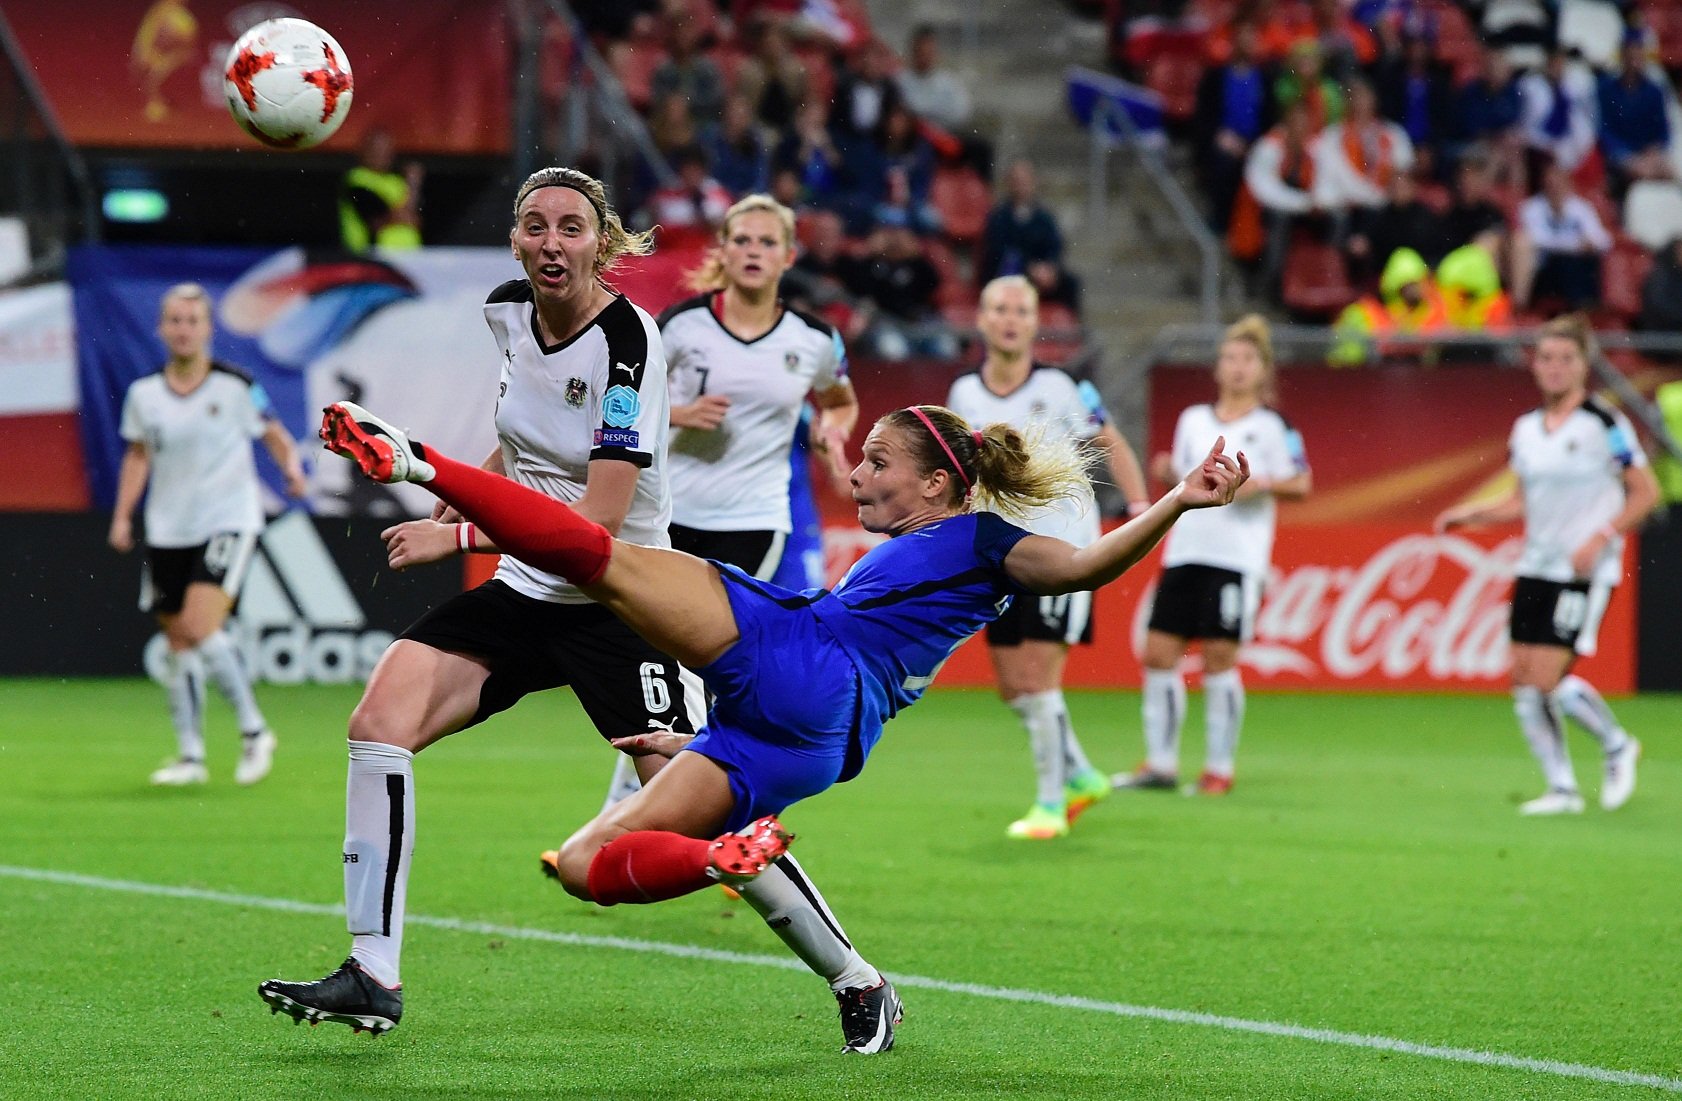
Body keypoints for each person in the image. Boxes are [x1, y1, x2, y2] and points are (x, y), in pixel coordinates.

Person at [309, 395, 1246, 1048]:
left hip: (806, 661)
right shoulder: (938, 548)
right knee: (588, 866)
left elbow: (1086, 567)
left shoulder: (989, 540)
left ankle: (417, 460)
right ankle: (753, 887)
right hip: (812, 736)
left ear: (936, 486)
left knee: (604, 556)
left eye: (880, 460)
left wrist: (1176, 501)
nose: (858, 470)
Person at [259, 168, 893, 1055]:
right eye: (534, 225)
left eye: (570, 227)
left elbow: (595, 526)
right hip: (528, 588)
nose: (551, 241)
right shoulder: (506, 311)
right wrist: (472, 496)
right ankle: (374, 970)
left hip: (624, 600)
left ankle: (856, 978)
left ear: (603, 243)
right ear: (515, 240)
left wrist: (461, 534)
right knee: (380, 717)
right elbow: (523, 433)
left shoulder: (629, 344)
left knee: (696, 810)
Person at [599, 193, 858, 803]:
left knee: (695, 664)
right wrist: (683, 414)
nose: (753, 252)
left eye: (767, 242)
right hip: (672, 514)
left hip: (756, 520)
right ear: (723, 250)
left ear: (788, 257)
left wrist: (831, 428)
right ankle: (659, 812)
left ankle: (643, 813)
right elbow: (625, 401)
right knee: (668, 665)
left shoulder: (814, 339)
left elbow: (840, 399)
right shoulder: (681, 326)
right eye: (742, 240)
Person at [944, 276, 1149, 839]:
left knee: (1038, 678)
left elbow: (1110, 441)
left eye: (1021, 310)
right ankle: (1081, 774)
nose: (1010, 319)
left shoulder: (1062, 386)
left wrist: (1137, 506)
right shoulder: (963, 394)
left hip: (1062, 555)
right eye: (999, 309)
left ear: (1036, 323)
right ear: (981, 320)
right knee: (1013, 687)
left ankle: (1050, 805)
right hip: (998, 556)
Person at [1434, 315, 1658, 815]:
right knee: (1522, 679)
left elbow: (1646, 492)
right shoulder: (1527, 429)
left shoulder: (1605, 424)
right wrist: (1472, 514)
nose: (1555, 368)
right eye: (1547, 358)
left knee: (1547, 678)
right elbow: (1520, 500)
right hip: (1536, 564)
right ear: (1534, 365)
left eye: (1566, 359)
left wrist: (1600, 537)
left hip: (1582, 570)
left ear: (1585, 365)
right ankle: (1562, 789)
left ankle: (1617, 744)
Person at [108, 282, 306, 786]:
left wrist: (292, 471)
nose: (183, 330)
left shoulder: (236, 385)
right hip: (167, 527)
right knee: (176, 639)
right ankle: (191, 757)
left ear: (208, 329)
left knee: (199, 625)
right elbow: (137, 455)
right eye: (174, 321)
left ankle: (254, 730)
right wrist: (122, 515)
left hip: (227, 520)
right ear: (161, 328)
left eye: (192, 321)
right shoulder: (144, 394)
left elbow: (273, 432)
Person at [1117, 315, 1309, 795]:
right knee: (1159, 652)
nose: (1237, 368)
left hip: (1237, 558)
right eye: (1230, 358)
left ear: (1263, 370)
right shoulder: (1193, 420)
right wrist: (1168, 472)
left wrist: (1257, 483)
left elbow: (1302, 480)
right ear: (1217, 367)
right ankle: (1160, 764)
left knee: (1220, 657)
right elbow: (1187, 482)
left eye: (1248, 359)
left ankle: (1218, 769)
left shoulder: (1273, 425)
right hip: (1186, 550)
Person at [339, 128, 423, 253]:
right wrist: (412, 184)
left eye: (386, 150)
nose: (382, 155)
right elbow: (378, 220)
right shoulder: (357, 179)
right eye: (377, 149)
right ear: (364, 151)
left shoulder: (396, 181)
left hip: (410, 255)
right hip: (373, 255)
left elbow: (415, 218)